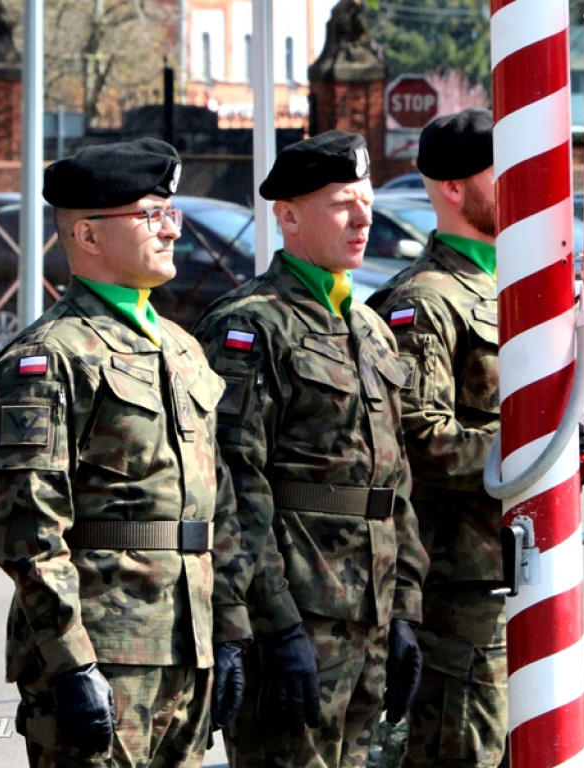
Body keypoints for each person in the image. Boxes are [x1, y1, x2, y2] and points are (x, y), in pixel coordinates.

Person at [0, 137, 251, 768]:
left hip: (188, 645)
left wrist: (232, 631)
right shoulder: (48, 358)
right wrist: (72, 661)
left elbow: (220, 506)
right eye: (148, 216)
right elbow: (28, 530)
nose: (169, 232)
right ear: (88, 235)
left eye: (171, 214)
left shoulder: (183, 349)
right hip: (105, 649)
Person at [192, 130, 429, 768]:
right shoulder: (249, 324)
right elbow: (234, 485)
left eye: (368, 201)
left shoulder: (371, 328)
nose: (363, 218)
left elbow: (394, 481)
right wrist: (275, 625)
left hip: (371, 616)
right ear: (288, 216)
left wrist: (405, 609)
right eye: (341, 204)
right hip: (299, 615)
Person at [366, 108, 508, 768]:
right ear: (452, 187)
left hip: (516, 566)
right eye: (499, 170)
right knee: (464, 752)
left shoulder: (512, 287)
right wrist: (532, 455)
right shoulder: (422, 300)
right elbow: (420, 439)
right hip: (458, 582)